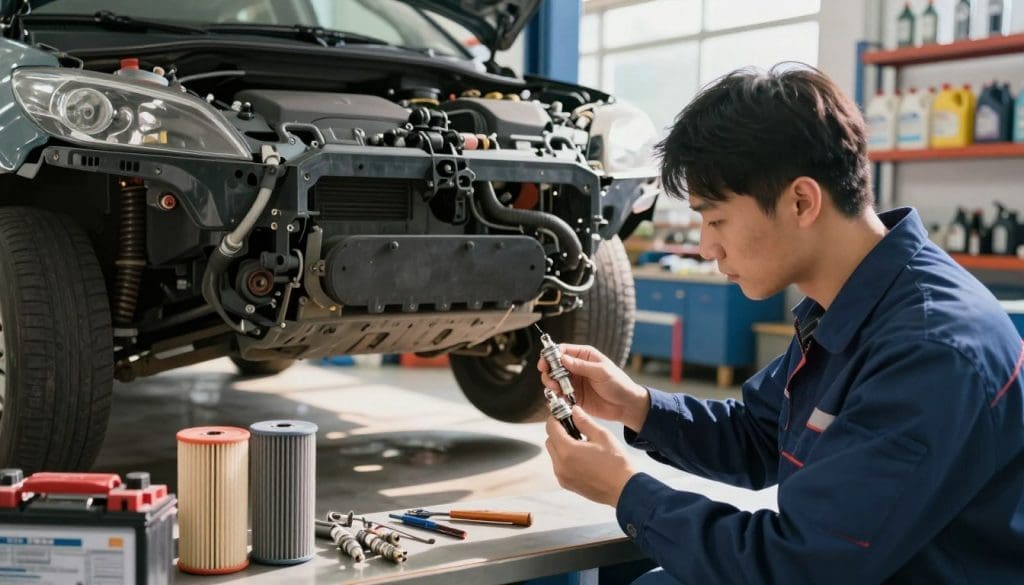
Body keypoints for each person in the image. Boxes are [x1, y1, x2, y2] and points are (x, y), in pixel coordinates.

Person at [539, 64, 1024, 585]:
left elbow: (796, 566)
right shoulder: (857, 302)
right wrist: (636, 406)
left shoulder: (930, 350)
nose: (706, 247)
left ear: (801, 201)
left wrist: (624, 489)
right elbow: (761, 434)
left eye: (716, 219)